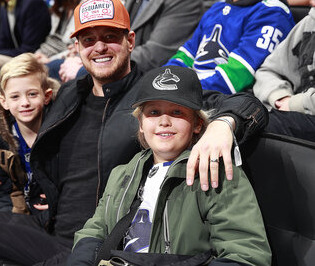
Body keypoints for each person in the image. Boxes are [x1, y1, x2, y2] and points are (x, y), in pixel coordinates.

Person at [0, 0, 268, 266]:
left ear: (130, 40)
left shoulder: (154, 96)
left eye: (110, 37)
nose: (100, 47)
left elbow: (246, 104)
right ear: (76, 47)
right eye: (89, 39)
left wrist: (224, 124)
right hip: (45, 227)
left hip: (95, 243)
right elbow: (19, 102)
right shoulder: (67, 94)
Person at [67, 66, 271, 266]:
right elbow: (95, 231)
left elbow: (245, 255)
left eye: (176, 112)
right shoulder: (123, 173)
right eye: (154, 112)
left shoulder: (217, 172)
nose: (164, 121)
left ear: (198, 124)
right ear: (140, 123)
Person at [56, 0, 204, 82]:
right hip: (116, 72)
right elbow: (102, 37)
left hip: (145, 81)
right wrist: (79, 58)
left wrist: (83, 67)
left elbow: (154, 55)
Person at [164, 0, 295, 94]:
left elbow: (235, 78)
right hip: (189, 93)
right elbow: (185, 56)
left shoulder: (272, 13)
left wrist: (180, 89)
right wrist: (161, 82)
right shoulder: (217, 7)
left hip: (228, 106)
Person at [0, 53, 59, 214]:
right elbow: (6, 193)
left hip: (58, 210)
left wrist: (60, 201)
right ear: (4, 102)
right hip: (19, 212)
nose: (25, 103)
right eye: (15, 97)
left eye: (32, 94)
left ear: (47, 95)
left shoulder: (62, 127)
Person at [253, 1, 315, 142]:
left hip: (301, 112)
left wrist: (296, 104)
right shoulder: (310, 21)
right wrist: (280, 96)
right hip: (290, 109)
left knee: (252, 125)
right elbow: (268, 70)